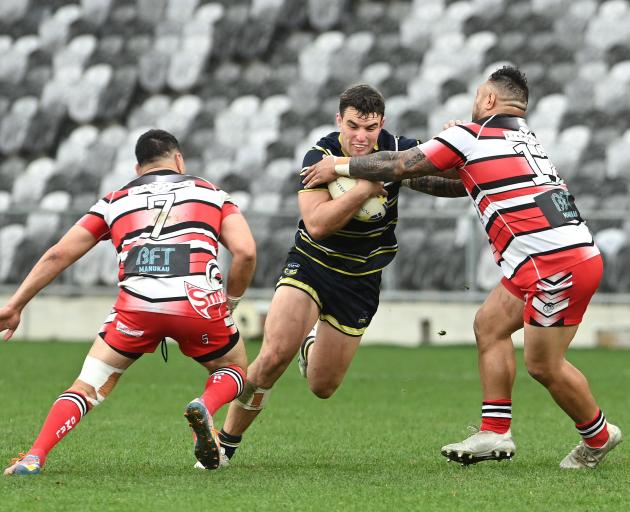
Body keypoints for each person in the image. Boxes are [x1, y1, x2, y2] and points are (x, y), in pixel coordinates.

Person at [302, 66, 622, 469]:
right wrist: (448, 143)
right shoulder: (523, 138)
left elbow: (401, 165)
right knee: (489, 325)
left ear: (488, 99)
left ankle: (598, 436)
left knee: (544, 365)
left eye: (477, 95)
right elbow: (446, 177)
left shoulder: (472, 136)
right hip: (566, 254)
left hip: (550, 264)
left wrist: (340, 167)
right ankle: (494, 431)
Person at [217, 84, 466, 462]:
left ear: (382, 124)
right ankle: (223, 445)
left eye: (370, 128)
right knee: (271, 358)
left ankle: (310, 343)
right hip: (312, 265)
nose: (361, 137)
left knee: (323, 386)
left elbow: (454, 185)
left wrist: (462, 152)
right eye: (353, 126)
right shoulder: (319, 156)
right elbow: (316, 224)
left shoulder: (397, 151)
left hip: (361, 279)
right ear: (339, 121)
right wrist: (364, 188)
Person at [1, 129, 257, 475]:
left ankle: (34, 457)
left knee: (88, 384)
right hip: (197, 302)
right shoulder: (211, 192)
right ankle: (206, 405)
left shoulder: (115, 200)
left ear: (139, 168)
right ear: (178, 160)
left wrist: (16, 304)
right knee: (235, 368)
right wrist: (231, 302)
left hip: (137, 306)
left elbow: (58, 254)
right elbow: (245, 252)